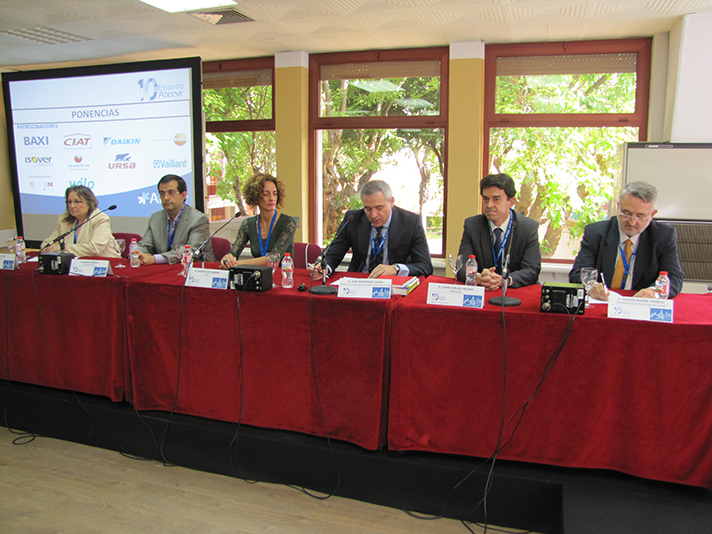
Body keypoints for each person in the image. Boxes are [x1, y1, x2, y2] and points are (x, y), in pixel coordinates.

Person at [569, 180, 684, 299]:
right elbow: (577, 273)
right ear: (618, 207)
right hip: (605, 304)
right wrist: (592, 286)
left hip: (641, 306)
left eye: (640, 216)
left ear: (652, 215)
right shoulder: (596, 233)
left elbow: (674, 278)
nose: (632, 222)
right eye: (626, 213)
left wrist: (654, 291)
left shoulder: (663, 235)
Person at [310, 180, 433, 279]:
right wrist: (324, 268)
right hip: (359, 283)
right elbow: (333, 254)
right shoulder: (353, 219)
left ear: (391, 202)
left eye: (379, 208)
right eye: (368, 209)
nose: (373, 215)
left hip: (393, 287)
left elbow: (425, 266)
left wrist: (396, 269)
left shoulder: (410, 222)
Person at [456, 173, 541, 290]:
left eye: (496, 199)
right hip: (483, 290)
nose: (489, 205)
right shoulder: (472, 225)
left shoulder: (528, 227)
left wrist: (504, 280)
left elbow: (532, 270)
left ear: (511, 202)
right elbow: (461, 266)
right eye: (485, 199)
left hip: (514, 293)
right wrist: (479, 278)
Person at [220, 173, 297, 268]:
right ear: (255, 197)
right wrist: (229, 258)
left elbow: (273, 258)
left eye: (275, 194)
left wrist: (240, 263)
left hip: (282, 276)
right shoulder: (248, 224)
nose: (272, 198)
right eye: (266, 194)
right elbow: (234, 252)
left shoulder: (288, 223)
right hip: (256, 275)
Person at [138, 174, 215, 264]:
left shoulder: (198, 219)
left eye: (171, 192)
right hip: (166, 270)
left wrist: (155, 259)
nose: (166, 198)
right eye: (162, 194)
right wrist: (137, 254)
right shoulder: (155, 218)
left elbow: (191, 251)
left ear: (183, 195)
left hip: (197, 270)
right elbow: (145, 245)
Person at [41, 185, 119, 258]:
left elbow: (94, 249)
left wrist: (63, 247)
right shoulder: (64, 220)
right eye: (69, 202)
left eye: (77, 201)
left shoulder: (100, 219)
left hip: (103, 265)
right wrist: (54, 248)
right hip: (74, 266)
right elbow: (45, 245)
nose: (72, 206)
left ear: (89, 202)